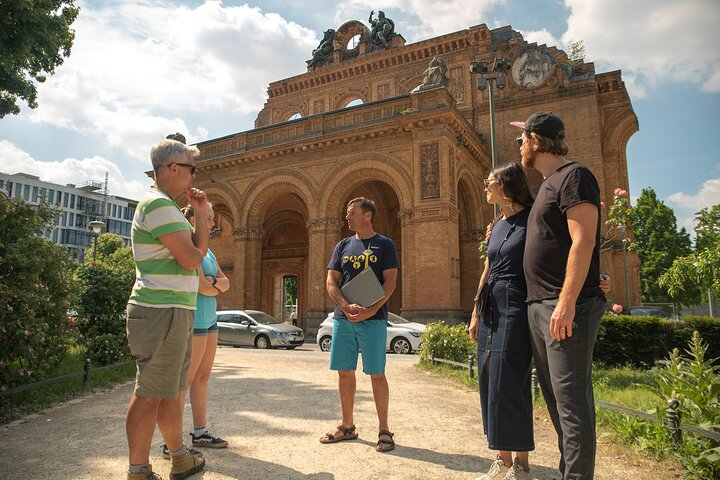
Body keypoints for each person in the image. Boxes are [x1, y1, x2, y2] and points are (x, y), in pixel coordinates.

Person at [513, 111, 606, 480]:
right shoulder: (548, 183)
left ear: (536, 140)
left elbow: (584, 240)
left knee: (572, 406)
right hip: (542, 306)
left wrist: (567, 301)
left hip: (564, 307)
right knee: (556, 403)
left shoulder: (574, 176)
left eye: (523, 139)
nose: (519, 145)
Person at [125, 138, 208, 480]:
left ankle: (179, 458)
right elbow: (192, 259)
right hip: (161, 312)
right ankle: (138, 470)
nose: (193, 176)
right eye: (191, 168)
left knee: (170, 393)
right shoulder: (157, 205)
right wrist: (201, 218)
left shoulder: (168, 207)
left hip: (174, 311)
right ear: (173, 168)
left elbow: (195, 251)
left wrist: (200, 214)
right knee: (148, 394)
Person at [468, 163, 535, 480]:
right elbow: (487, 267)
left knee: (511, 377)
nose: (485, 185)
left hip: (516, 303)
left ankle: (522, 465)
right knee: (489, 374)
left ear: (506, 185)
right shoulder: (496, 225)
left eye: (490, 181)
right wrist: (475, 312)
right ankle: (502, 459)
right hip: (491, 304)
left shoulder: (531, 220)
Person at [320, 197, 399, 453]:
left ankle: (384, 429)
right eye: (347, 213)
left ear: (368, 215)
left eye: (352, 212)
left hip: (373, 319)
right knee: (344, 372)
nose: (347, 217)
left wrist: (372, 310)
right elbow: (332, 280)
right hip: (344, 319)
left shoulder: (384, 245)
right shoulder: (342, 245)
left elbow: (390, 283)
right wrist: (343, 305)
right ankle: (347, 426)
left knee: (376, 374)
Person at [159, 203, 230, 459]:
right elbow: (203, 287)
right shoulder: (190, 248)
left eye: (211, 219)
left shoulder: (207, 252)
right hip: (196, 320)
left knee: (203, 377)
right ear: (191, 219)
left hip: (211, 321)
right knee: (184, 382)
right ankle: (172, 442)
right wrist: (215, 284)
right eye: (208, 218)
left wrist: (216, 284)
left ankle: (200, 432)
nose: (212, 223)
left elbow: (225, 281)